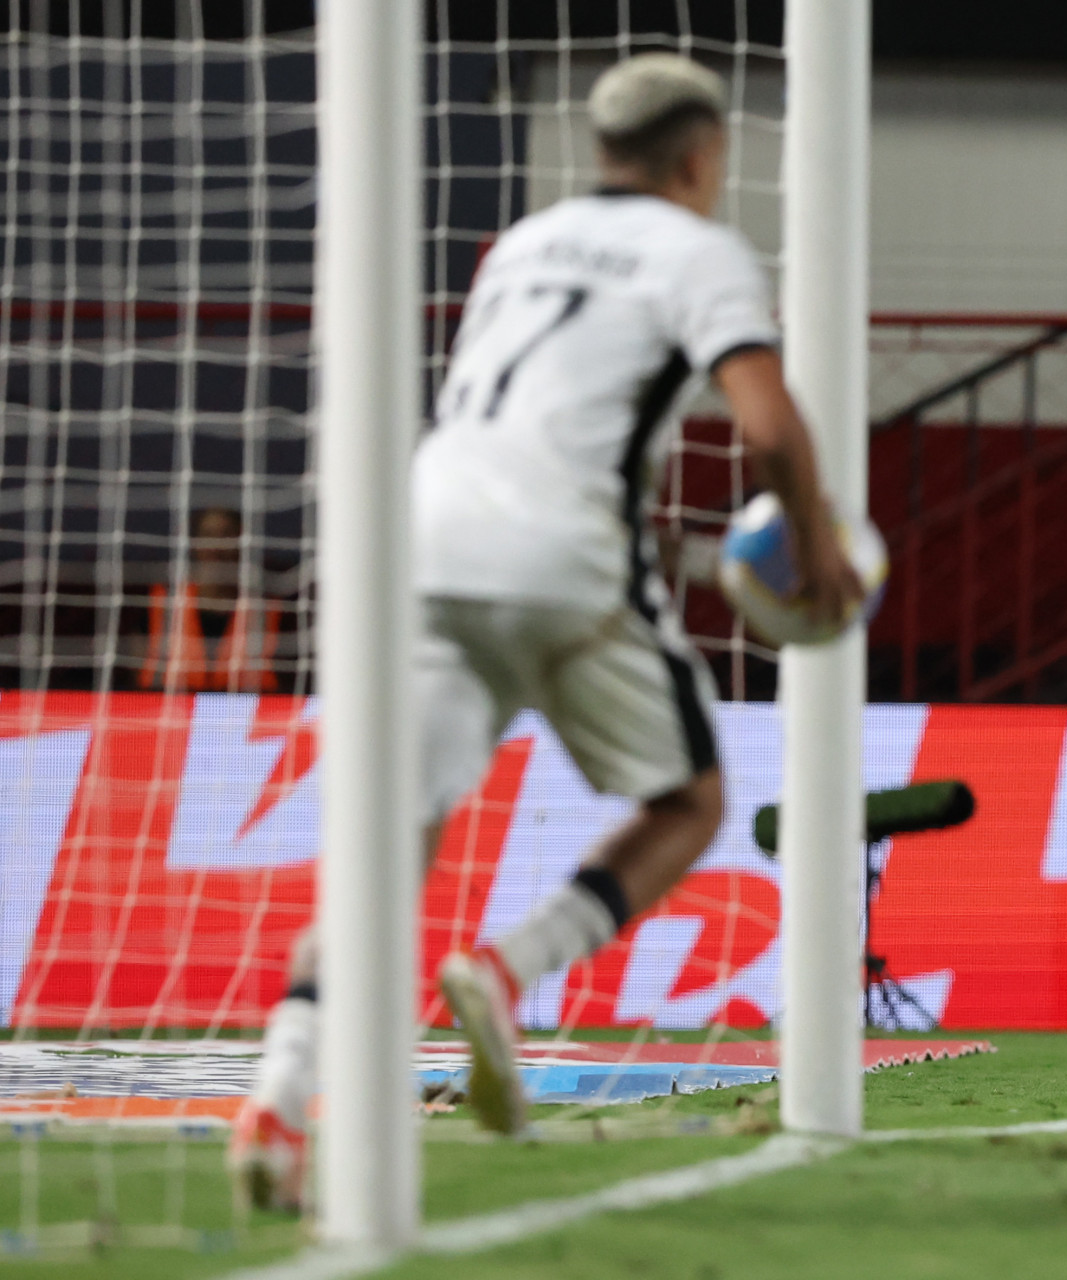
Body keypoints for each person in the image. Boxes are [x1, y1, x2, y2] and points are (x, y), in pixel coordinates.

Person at [227, 52, 863, 1210]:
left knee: (382, 856)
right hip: (561, 553)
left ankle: (276, 1094)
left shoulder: (520, 243)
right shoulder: (700, 250)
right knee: (691, 801)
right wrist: (816, 546)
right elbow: (769, 427)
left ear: (601, 148)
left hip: (417, 544)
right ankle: (509, 968)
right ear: (702, 155)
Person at [137, 505, 283, 694]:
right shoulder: (163, 599)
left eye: (226, 535)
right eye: (209, 535)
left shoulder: (267, 604)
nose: (216, 547)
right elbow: (136, 660)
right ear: (195, 543)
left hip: (249, 706)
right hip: (168, 705)